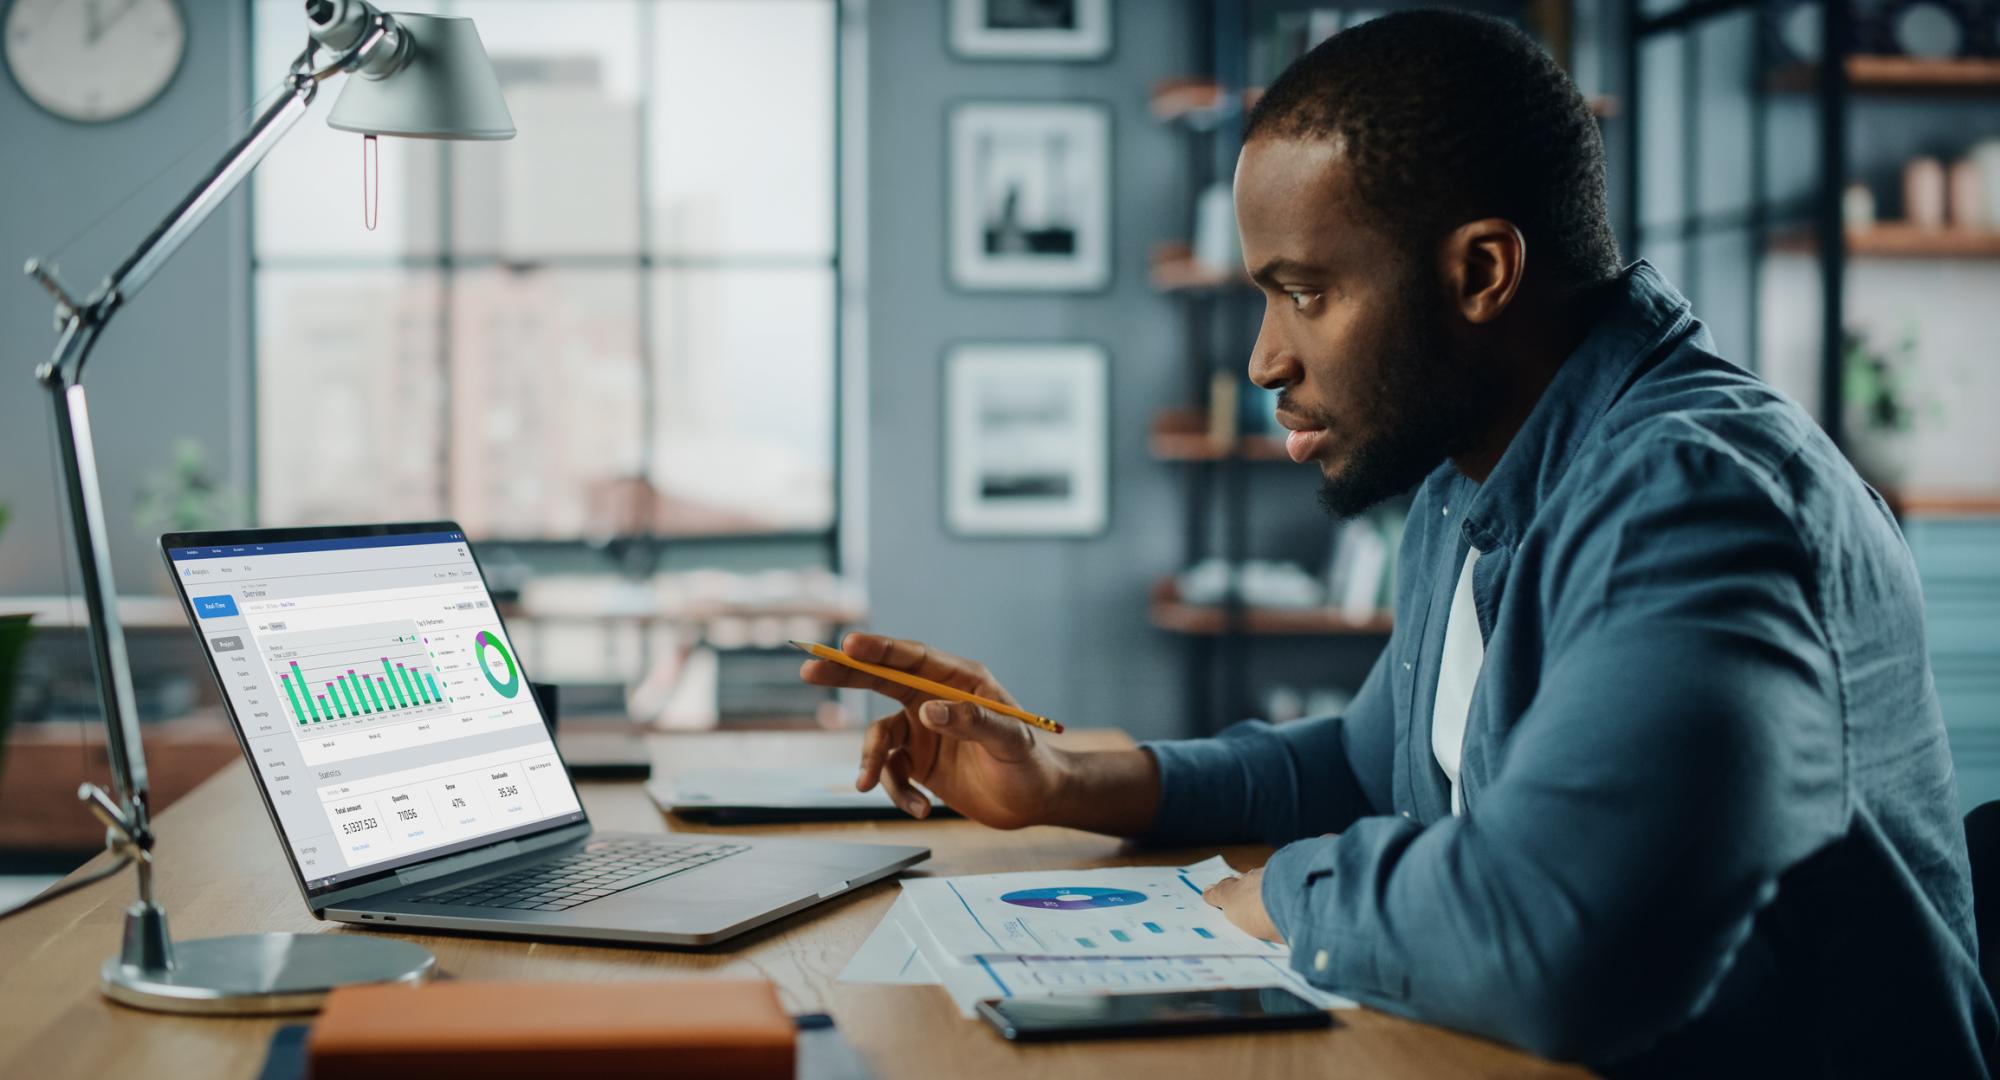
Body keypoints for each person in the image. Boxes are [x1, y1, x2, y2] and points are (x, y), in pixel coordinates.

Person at [803, 10, 1994, 1076]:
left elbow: (1546, 942)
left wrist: (1282, 890)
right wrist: (1062, 780)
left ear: (1480, 271)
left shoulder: (1694, 502)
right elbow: (1372, 766)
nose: (1264, 357)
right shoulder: (1469, 464)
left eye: (1303, 292)